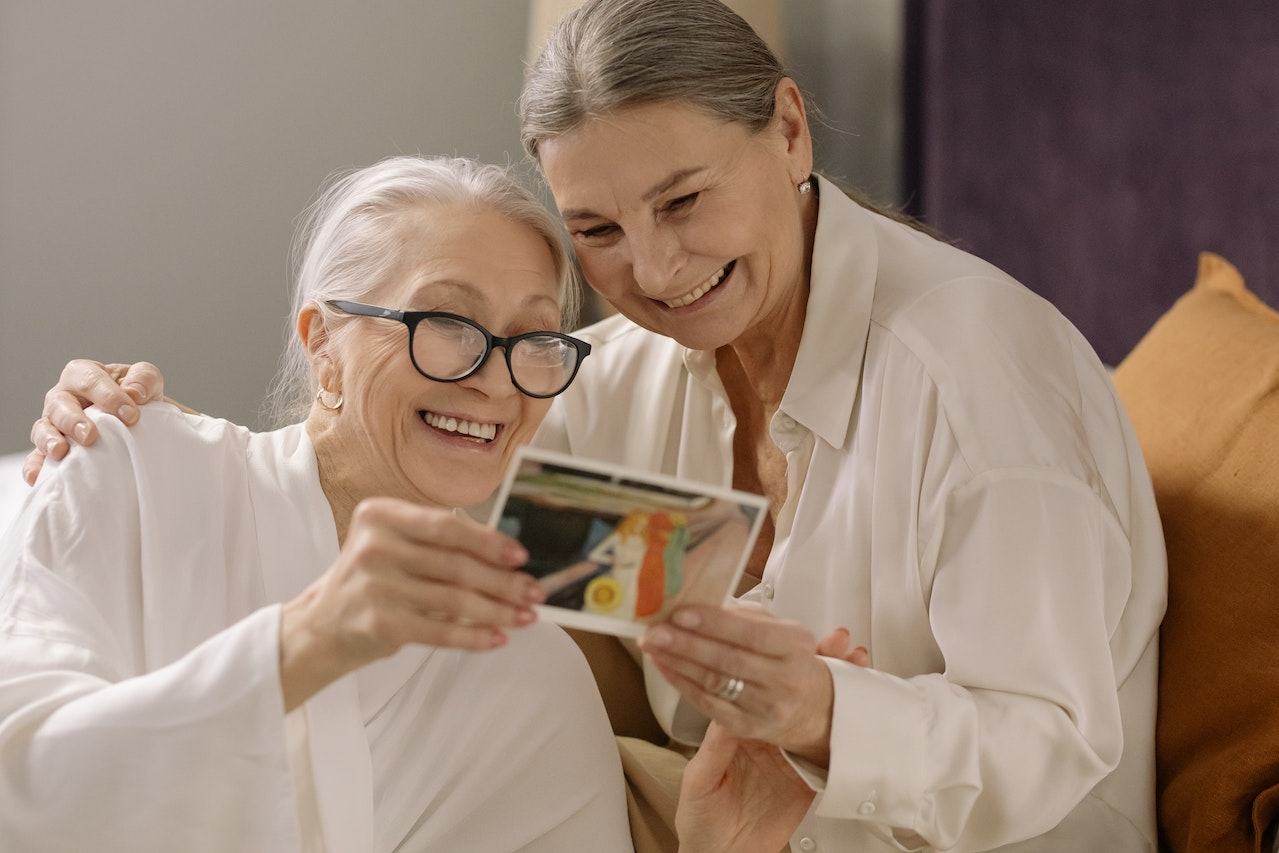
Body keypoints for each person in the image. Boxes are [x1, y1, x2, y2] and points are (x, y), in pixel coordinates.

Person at [24, 0, 1169, 850]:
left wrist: (824, 711)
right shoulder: (605, 380)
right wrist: (131, 441)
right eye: (598, 230)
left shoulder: (977, 383)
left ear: (788, 132)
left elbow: (1060, 747)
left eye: (681, 200)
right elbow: (414, 459)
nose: (658, 270)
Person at [0, 154, 635, 852]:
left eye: (532, 338)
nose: (496, 382)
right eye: (449, 321)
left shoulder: (533, 673)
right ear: (322, 341)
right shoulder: (130, 471)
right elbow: (23, 786)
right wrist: (304, 642)